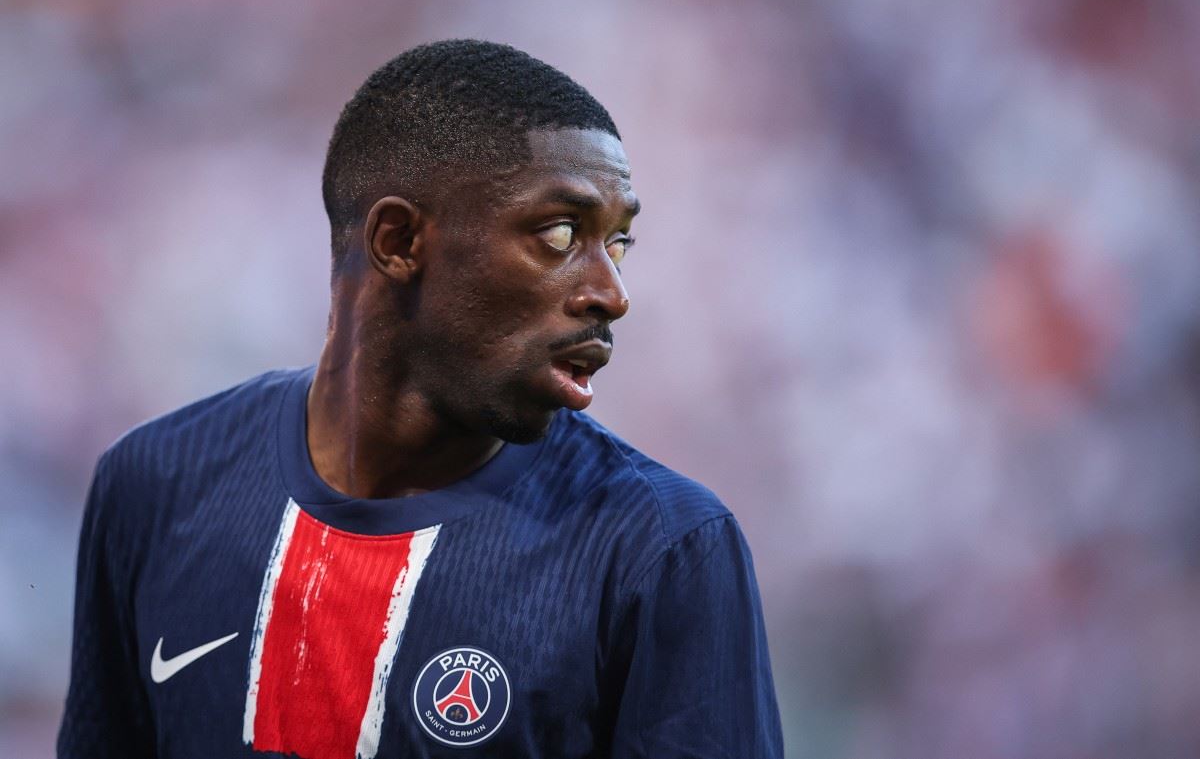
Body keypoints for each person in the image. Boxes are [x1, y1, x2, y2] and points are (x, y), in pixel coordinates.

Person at [58, 39, 783, 759]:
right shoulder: (156, 483)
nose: (612, 294)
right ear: (399, 240)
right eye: (561, 234)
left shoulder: (661, 548)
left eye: (618, 243)